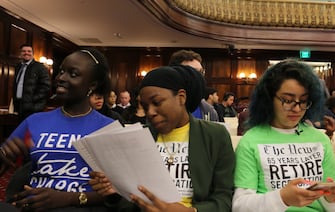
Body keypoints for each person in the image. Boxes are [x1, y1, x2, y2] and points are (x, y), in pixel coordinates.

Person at [89, 65, 235, 212]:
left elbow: (224, 199)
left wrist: (191, 211)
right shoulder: (140, 137)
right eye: (145, 107)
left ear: (181, 97)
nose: (150, 112)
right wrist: (113, 193)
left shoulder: (214, 135)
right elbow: (130, 202)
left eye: (157, 103)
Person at [0, 48, 114, 211]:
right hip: (33, 205)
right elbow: (5, 161)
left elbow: (116, 193)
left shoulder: (108, 128)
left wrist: (67, 198)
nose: (61, 78)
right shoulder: (35, 121)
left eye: (73, 74)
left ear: (92, 85)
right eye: (61, 72)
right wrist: (2, 155)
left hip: (79, 207)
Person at [232, 59, 335, 212]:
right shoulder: (251, 140)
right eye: (287, 100)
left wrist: (329, 199)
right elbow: (240, 206)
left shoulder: (320, 139)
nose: (297, 109)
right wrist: (282, 198)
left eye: (303, 101)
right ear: (269, 98)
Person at [168, 49, 219, 122]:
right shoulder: (161, 107)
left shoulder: (209, 110)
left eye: (201, 72)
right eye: (192, 71)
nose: (198, 77)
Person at [13, 44, 51, 121]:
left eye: (29, 51)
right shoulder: (18, 67)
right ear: (20, 53)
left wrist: (31, 100)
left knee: (31, 131)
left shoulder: (40, 67)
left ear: (32, 54)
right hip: (20, 107)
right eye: (24, 51)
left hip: (34, 108)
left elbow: (46, 87)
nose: (26, 53)